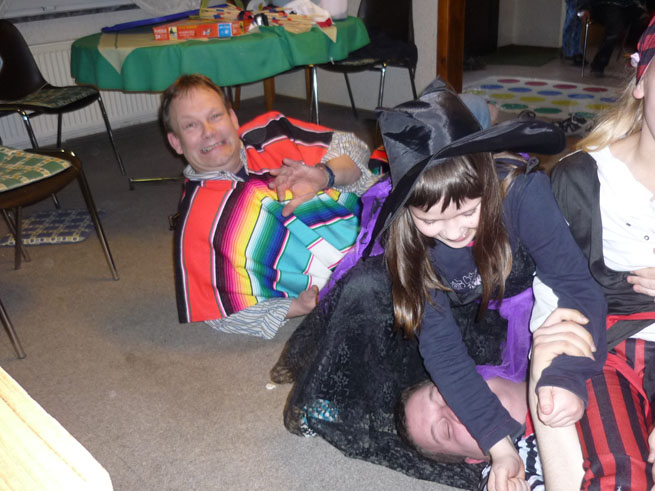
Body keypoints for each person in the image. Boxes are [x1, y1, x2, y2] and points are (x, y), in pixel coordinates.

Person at [271, 78, 607, 490]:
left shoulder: (523, 193)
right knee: (374, 297)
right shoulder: (411, 245)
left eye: (467, 211)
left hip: (524, 306)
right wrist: (499, 446)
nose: (452, 232)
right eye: (430, 220)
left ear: (487, 180)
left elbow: (578, 287)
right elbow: (443, 351)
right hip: (463, 310)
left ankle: (479, 108)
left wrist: (567, 375)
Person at [529, 16, 655, 489]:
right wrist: (556, 368)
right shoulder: (583, 179)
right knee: (619, 476)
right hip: (608, 349)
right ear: (640, 81)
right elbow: (554, 298)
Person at [161, 74, 374, 340]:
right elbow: (221, 312)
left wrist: (324, 174)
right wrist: (296, 307)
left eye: (215, 116)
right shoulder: (198, 223)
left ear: (232, 118)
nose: (209, 131)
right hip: (353, 285)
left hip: (378, 223)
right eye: (191, 125)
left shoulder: (273, 133)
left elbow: (354, 147)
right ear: (176, 142)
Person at [577, 0, 648, 76]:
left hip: (631, 6)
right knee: (614, 27)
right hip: (607, 4)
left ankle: (640, 62)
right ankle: (599, 63)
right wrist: (584, 7)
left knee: (646, 25)